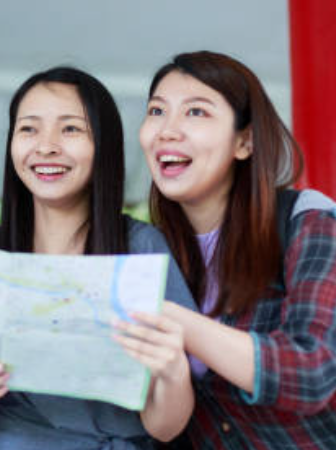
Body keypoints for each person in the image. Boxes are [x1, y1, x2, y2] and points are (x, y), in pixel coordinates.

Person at [0, 67, 196, 450]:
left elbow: (165, 428)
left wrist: (173, 373)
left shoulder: (140, 248)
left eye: (70, 129)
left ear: (103, 145)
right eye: (29, 129)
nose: (46, 146)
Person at [136, 50, 336, 449]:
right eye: (157, 111)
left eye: (196, 112)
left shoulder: (307, 221)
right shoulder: (146, 253)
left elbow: (313, 371)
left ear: (244, 141)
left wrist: (173, 319)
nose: (167, 130)